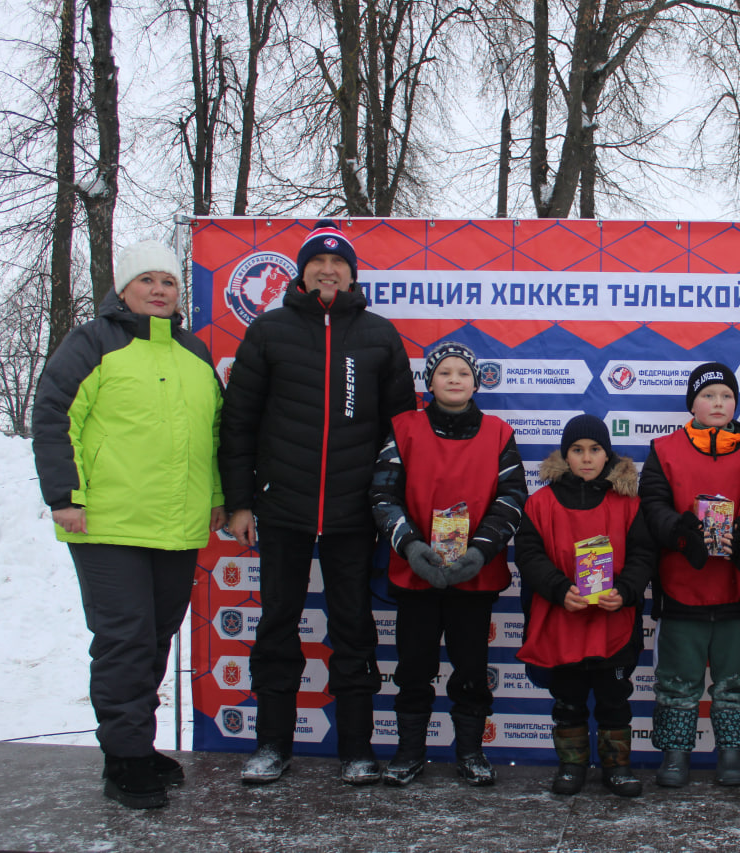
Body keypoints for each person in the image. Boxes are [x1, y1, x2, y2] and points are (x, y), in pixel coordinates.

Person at [219, 219, 416, 786]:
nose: (328, 271)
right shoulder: (269, 330)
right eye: (317, 263)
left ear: (352, 276)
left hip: (354, 513)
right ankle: (272, 745)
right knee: (278, 624)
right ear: (302, 274)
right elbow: (238, 424)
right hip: (282, 507)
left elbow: (402, 433)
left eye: (338, 264)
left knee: (353, 627)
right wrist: (240, 502)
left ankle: (356, 748)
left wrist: (391, 506)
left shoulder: (379, 335)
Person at [32, 240, 225, 809]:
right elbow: (54, 415)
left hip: (177, 526)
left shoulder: (194, 352)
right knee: (125, 639)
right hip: (108, 523)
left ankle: (137, 743)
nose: (159, 290)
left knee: (156, 639)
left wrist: (217, 497)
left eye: (168, 281)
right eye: (147, 280)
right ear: (123, 289)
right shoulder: (92, 342)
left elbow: (214, 435)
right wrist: (65, 495)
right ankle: (124, 758)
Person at [369, 340, 527, 787]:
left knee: (472, 669)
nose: (454, 379)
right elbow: (383, 494)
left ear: (476, 383)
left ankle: (471, 752)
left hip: (474, 577)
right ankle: (409, 752)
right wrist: (411, 547)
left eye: (463, 373)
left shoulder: (498, 433)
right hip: (416, 572)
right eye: (444, 372)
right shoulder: (404, 429)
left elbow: (512, 498)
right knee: (413, 668)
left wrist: (480, 552)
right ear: (429, 381)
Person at [638, 362, 740, 788]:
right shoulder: (664, 450)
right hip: (683, 587)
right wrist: (682, 533)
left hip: (738, 587)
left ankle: (731, 753)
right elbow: (653, 507)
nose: (718, 403)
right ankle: (675, 753)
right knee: (677, 680)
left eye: (726, 396)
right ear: (692, 404)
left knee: (736, 680)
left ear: (736, 404)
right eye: (708, 395)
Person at [516, 415, 656, 797]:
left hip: (613, 622)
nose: (587, 458)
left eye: (595, 450)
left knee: (614, 700)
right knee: (568, 701)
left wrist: (625, 590)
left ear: (607, 454)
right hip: (563, 620)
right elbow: (529, 555)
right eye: (577, 450)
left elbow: (643, 554)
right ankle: (571, 765)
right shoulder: (540, 503)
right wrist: (559, 588)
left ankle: (617, 766)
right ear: (565, 455)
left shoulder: (628, 503)